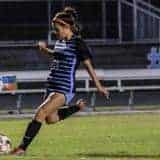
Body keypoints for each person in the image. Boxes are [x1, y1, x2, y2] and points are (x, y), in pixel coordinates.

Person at [11, 6, 109, 156]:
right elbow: (57, 55)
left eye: (57, 29)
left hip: (64, 88)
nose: (55, 33)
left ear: (66, 26)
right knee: (51, 118)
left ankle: (21, 148)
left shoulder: (78, 43)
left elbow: (88, 65)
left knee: (40, 113)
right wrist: (45, 50)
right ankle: (76, 108)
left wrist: (98, 86)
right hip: (51, 84)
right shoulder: (59, 42)